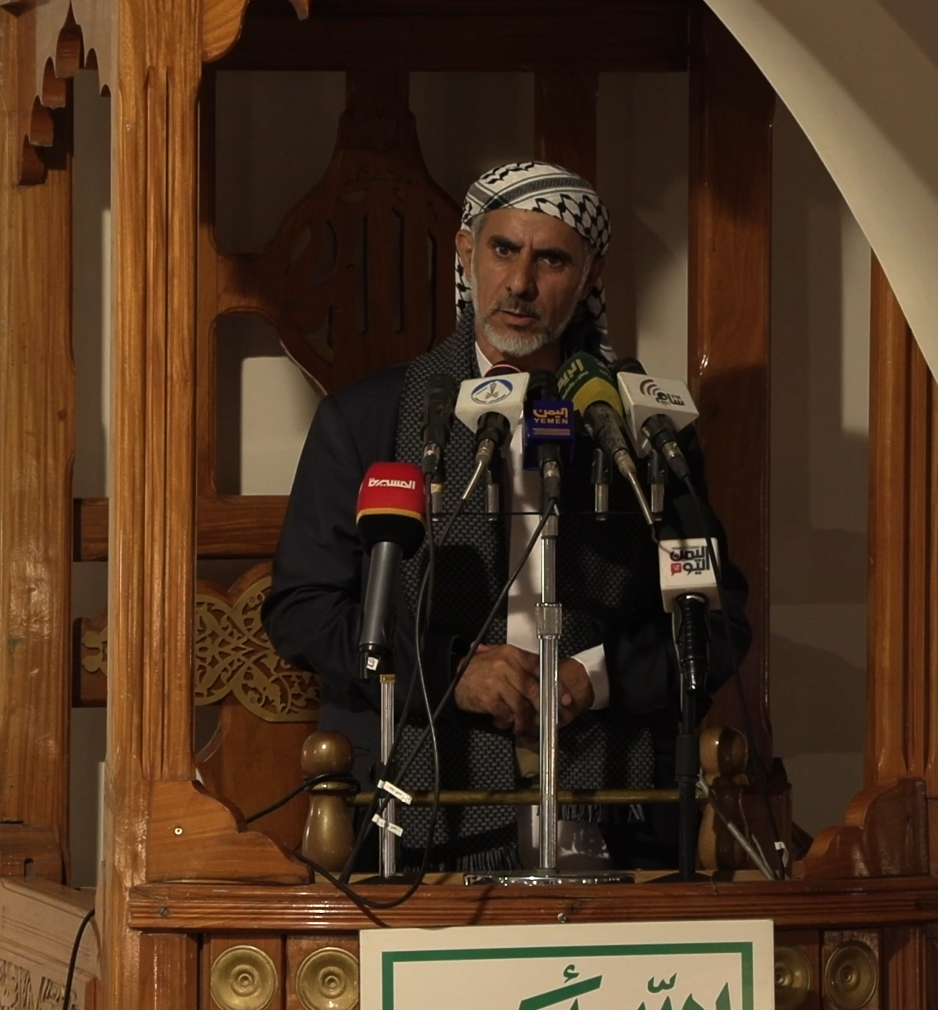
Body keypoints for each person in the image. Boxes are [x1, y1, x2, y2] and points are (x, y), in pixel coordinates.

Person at [263, 161, 750, 873]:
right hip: (420, 820)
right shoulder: (370, 420)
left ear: (590, 275)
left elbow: (715, 616)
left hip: (615, 810)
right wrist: (451, 673)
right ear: (466, 252)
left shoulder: (643, 427)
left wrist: (594, 677)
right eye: (503, 250)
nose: (520, 283)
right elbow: (305, 610)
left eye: (551, 259)